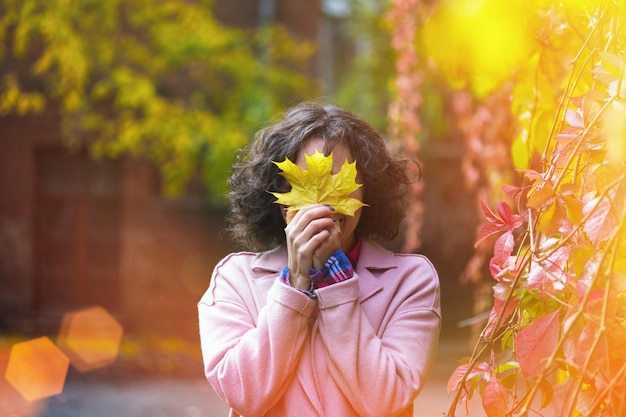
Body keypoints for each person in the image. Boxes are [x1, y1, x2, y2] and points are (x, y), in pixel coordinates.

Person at [198, 102, 441, 417]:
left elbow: (387, 399)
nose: (324, 202)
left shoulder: (411, 280)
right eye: (308, 183)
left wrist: (335, 280)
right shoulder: (235, 278)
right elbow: (243, 393)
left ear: (368, 191)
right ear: (281, 198)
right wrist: (294, 285)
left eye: (340, 183)